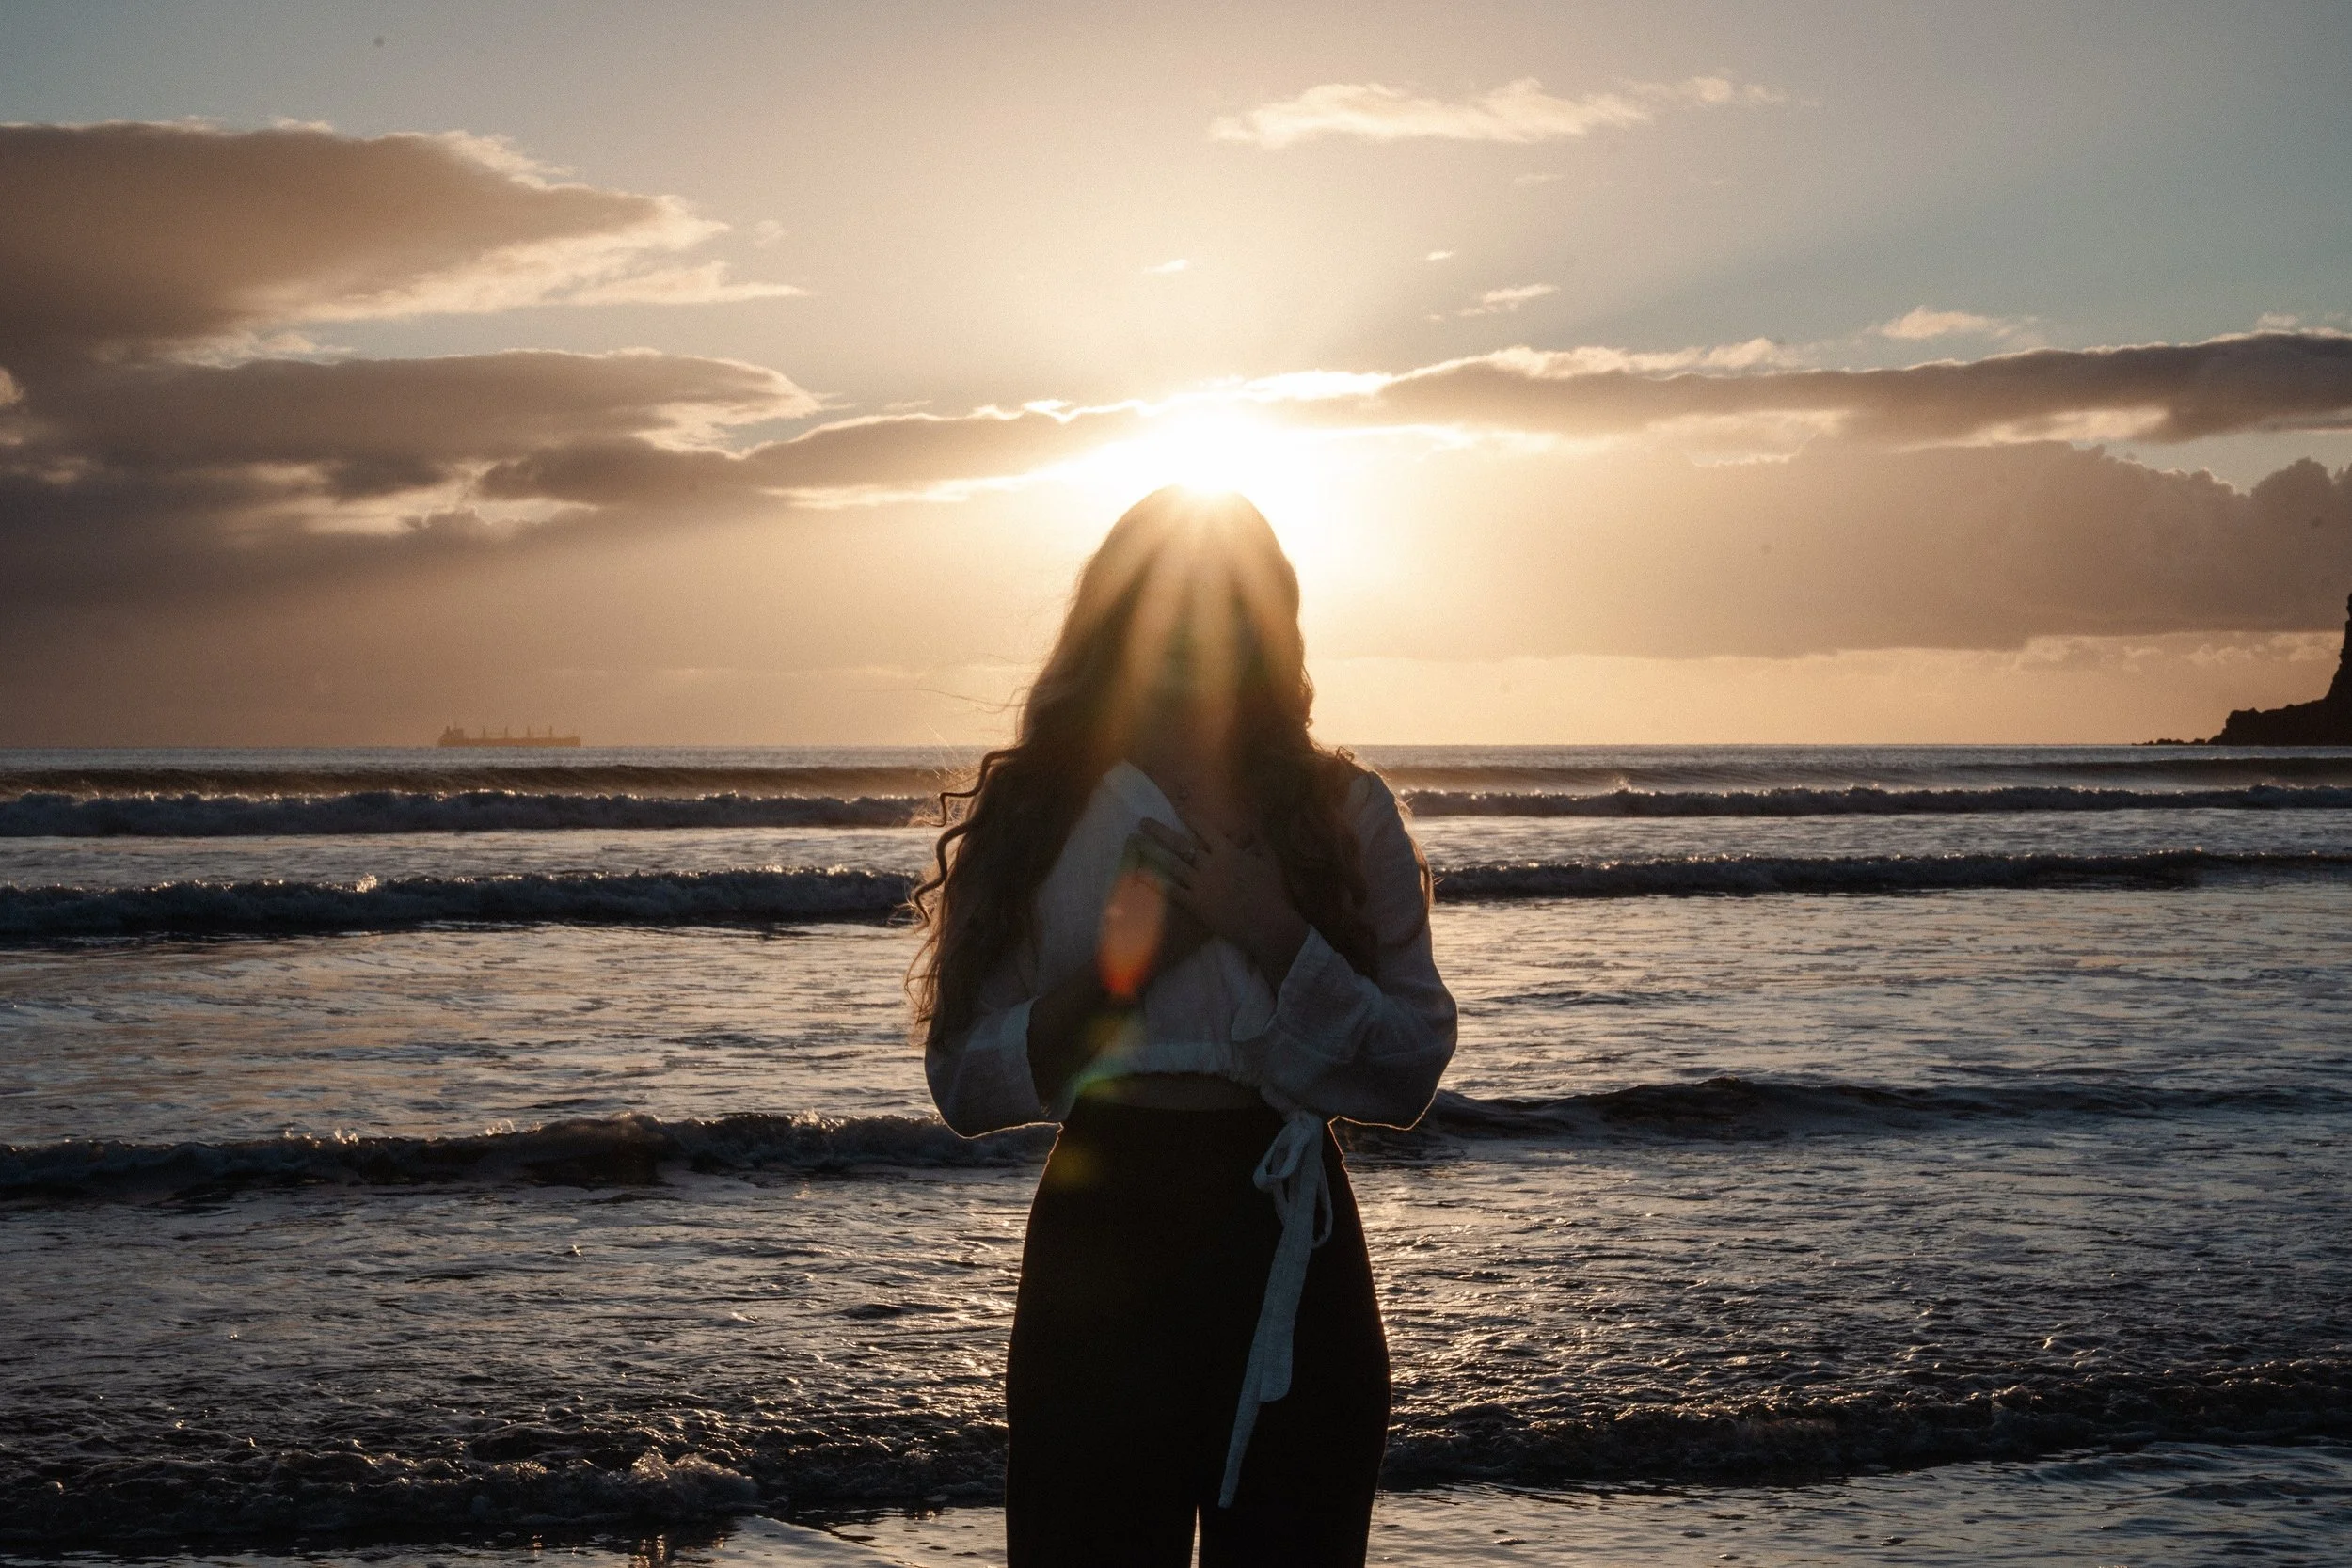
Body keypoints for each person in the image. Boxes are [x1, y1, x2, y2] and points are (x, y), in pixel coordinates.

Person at [911, 485, 1457, 1566]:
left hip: (1286, 1232)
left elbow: (1407, 1072)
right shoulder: (1040, 813)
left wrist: (1271, 931)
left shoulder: (1343, 810)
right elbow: (963, 1084)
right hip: (1103, 1229)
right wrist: (1124, 967)